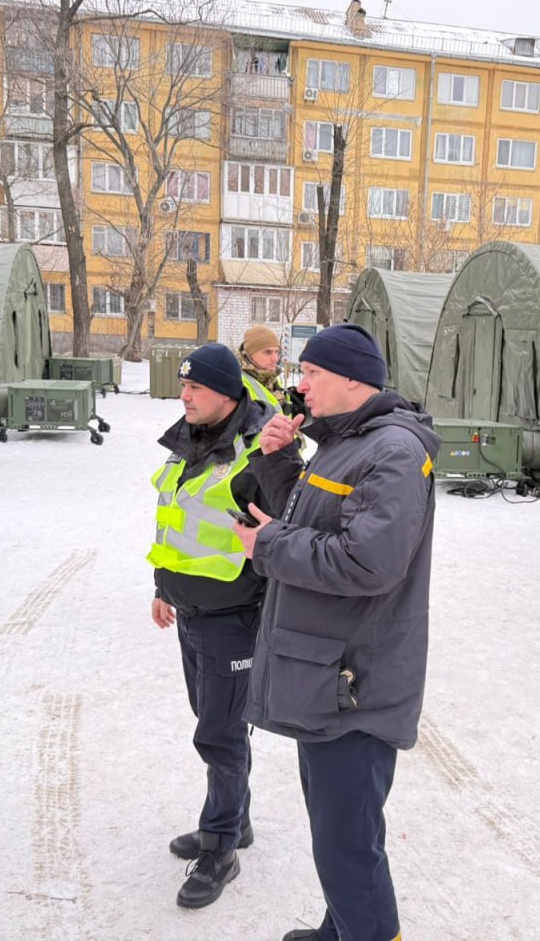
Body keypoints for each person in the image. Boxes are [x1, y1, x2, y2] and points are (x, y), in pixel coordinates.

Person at [231, 323, 440, 941]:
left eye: (312, 374)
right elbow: (312, 514)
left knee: (349, 844)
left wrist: (267, 545)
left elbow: (365, 561)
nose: (299, 385)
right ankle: (340, 930)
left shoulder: (393, 452)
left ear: (353, 378)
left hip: (356, 683)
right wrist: (278, 462)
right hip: (324, 674)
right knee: (337, 832)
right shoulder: (347, 443)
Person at [147, 342, 302, 909]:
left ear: (228, 393)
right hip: (191, 609)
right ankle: (236, 822)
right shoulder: (190, 440)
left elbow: (285, 529)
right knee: (212, 720)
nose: (184, 394)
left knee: (220, 731)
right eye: (183, 385)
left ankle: (220, 845)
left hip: (235, 616)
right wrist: (163, 586)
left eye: (197, 387)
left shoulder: (256, 450)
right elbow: (177, 519)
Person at [238, 325, 287, 409]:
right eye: (268, 352)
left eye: (277, 352)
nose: (275, 359)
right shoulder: (237, 382)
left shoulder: (272, 378)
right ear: (250, 354)